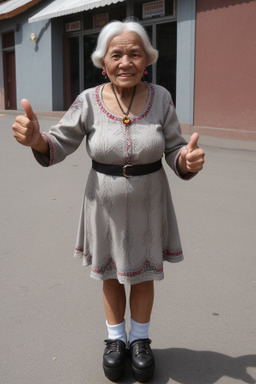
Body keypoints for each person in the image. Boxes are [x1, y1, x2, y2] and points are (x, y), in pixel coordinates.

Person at [12, 20, 205, 382]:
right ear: (103, 62)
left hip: (150, 200)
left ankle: (141, 340)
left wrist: (187, 160)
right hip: (103, 202)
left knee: (144, 274)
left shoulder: (161, 97)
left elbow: (177, 148)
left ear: (147, 60)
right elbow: (57, 144)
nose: (126, 61)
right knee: (112, 276)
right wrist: (36, 138)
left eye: (135, 53)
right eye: (117, 54)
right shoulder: (88, 100)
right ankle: (116, 341)